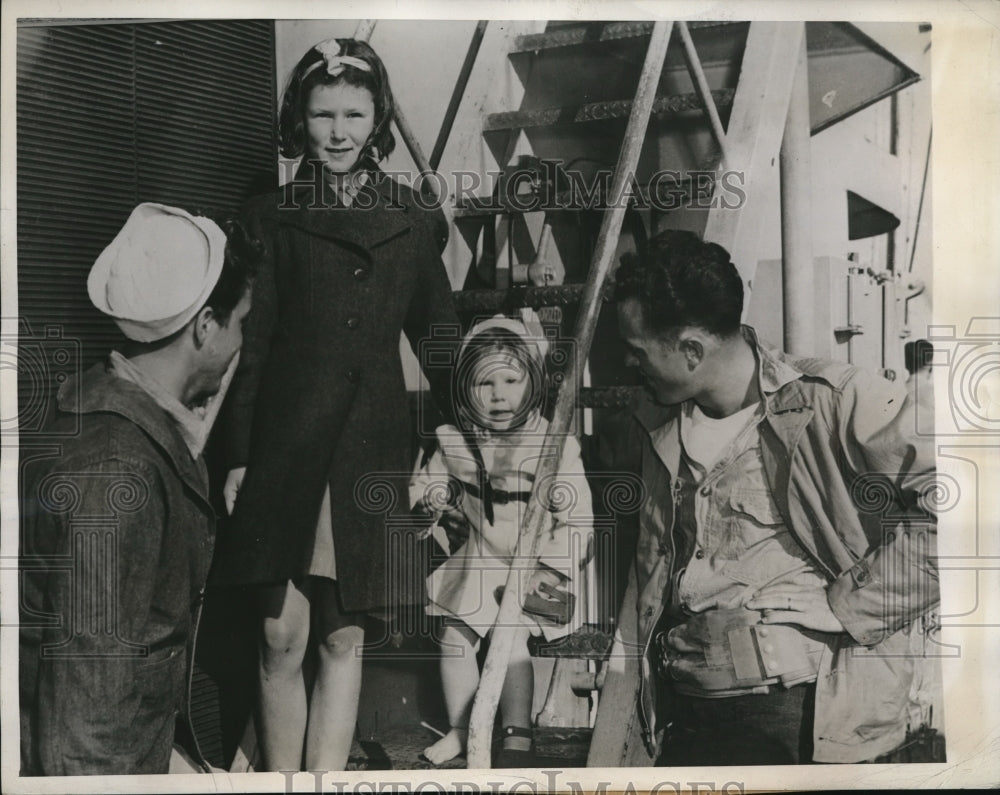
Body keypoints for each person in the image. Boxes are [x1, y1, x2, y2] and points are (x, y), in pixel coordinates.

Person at [599, 229, 939, 765]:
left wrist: (851, 604)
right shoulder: (655, 424)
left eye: (637, 350)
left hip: (797, 720)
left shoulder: (834, 400)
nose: (627, 364)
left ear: (691, 351)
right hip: (683, 716)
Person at [213, 38, 459, 772]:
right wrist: (238, 456)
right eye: (324, 114)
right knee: (278, 634)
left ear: (379, 114)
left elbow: (441, 339)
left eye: (355, 112)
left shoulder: (412, 218)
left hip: (370, 446)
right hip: (285, 450)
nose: (340, 131)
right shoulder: (272, 219)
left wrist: (446, 442)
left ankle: (323, 781)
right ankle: (281, 779)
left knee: (344, 636)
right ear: (302, 118)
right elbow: (249, 349)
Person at [19, 203, 255, 775]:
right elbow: (86, 721)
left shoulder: (124, 414)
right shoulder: (113, 470)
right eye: (241, 322)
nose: (241, 342)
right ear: (205, 326)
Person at [410, 313, 593, 767]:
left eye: (511, 380)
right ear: (464, 391)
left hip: (538, 562)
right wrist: (431, 501)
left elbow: (579, 520)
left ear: (532, 382)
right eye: (483, 384)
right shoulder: (455, 442)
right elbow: (428, 486)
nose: (498, 395)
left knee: (509, 640)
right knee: (452, 636)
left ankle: (516, 732)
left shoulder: (552, 444)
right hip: (481, 556)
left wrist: (550, 569)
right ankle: (462, 726)